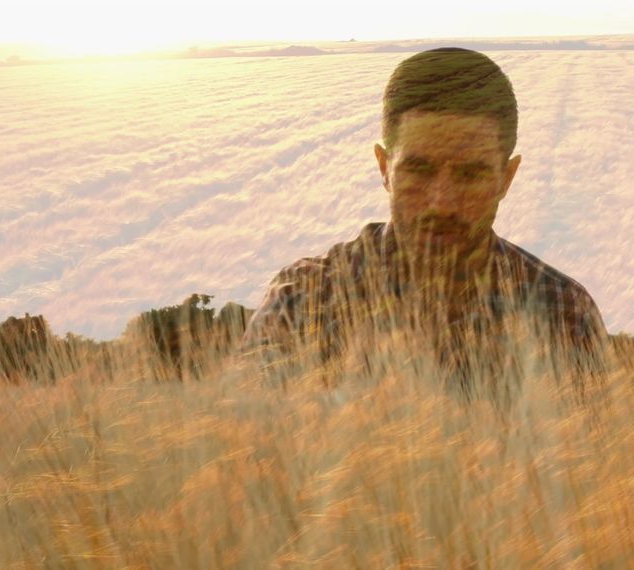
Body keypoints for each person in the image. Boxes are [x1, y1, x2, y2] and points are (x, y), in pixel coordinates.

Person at [241, 47, 609, 394]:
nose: (442, 204)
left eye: (470, 174)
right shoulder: (302, 301)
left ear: (506, 178)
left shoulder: (563, 312)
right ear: (385, 168)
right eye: (418, 170)